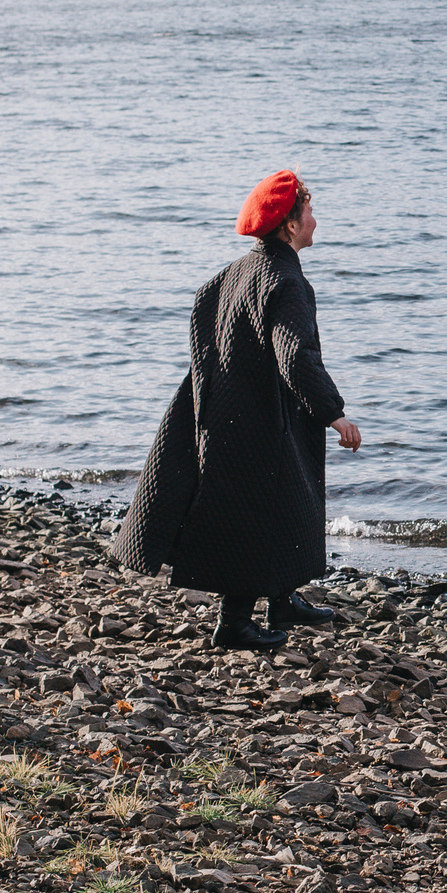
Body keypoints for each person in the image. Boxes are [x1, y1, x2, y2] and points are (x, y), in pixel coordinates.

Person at [112, 169, 362, 650]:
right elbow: (296, 355)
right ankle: (233, 626)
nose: (315, 218)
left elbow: (206, 336)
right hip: (262, 421)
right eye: (308, 210)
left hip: (224, 414)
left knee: (291, 504)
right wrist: (334, 414)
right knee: (258, 516)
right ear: (289, 225)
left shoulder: (230, 275)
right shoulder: (287, 282)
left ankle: (283, 600)